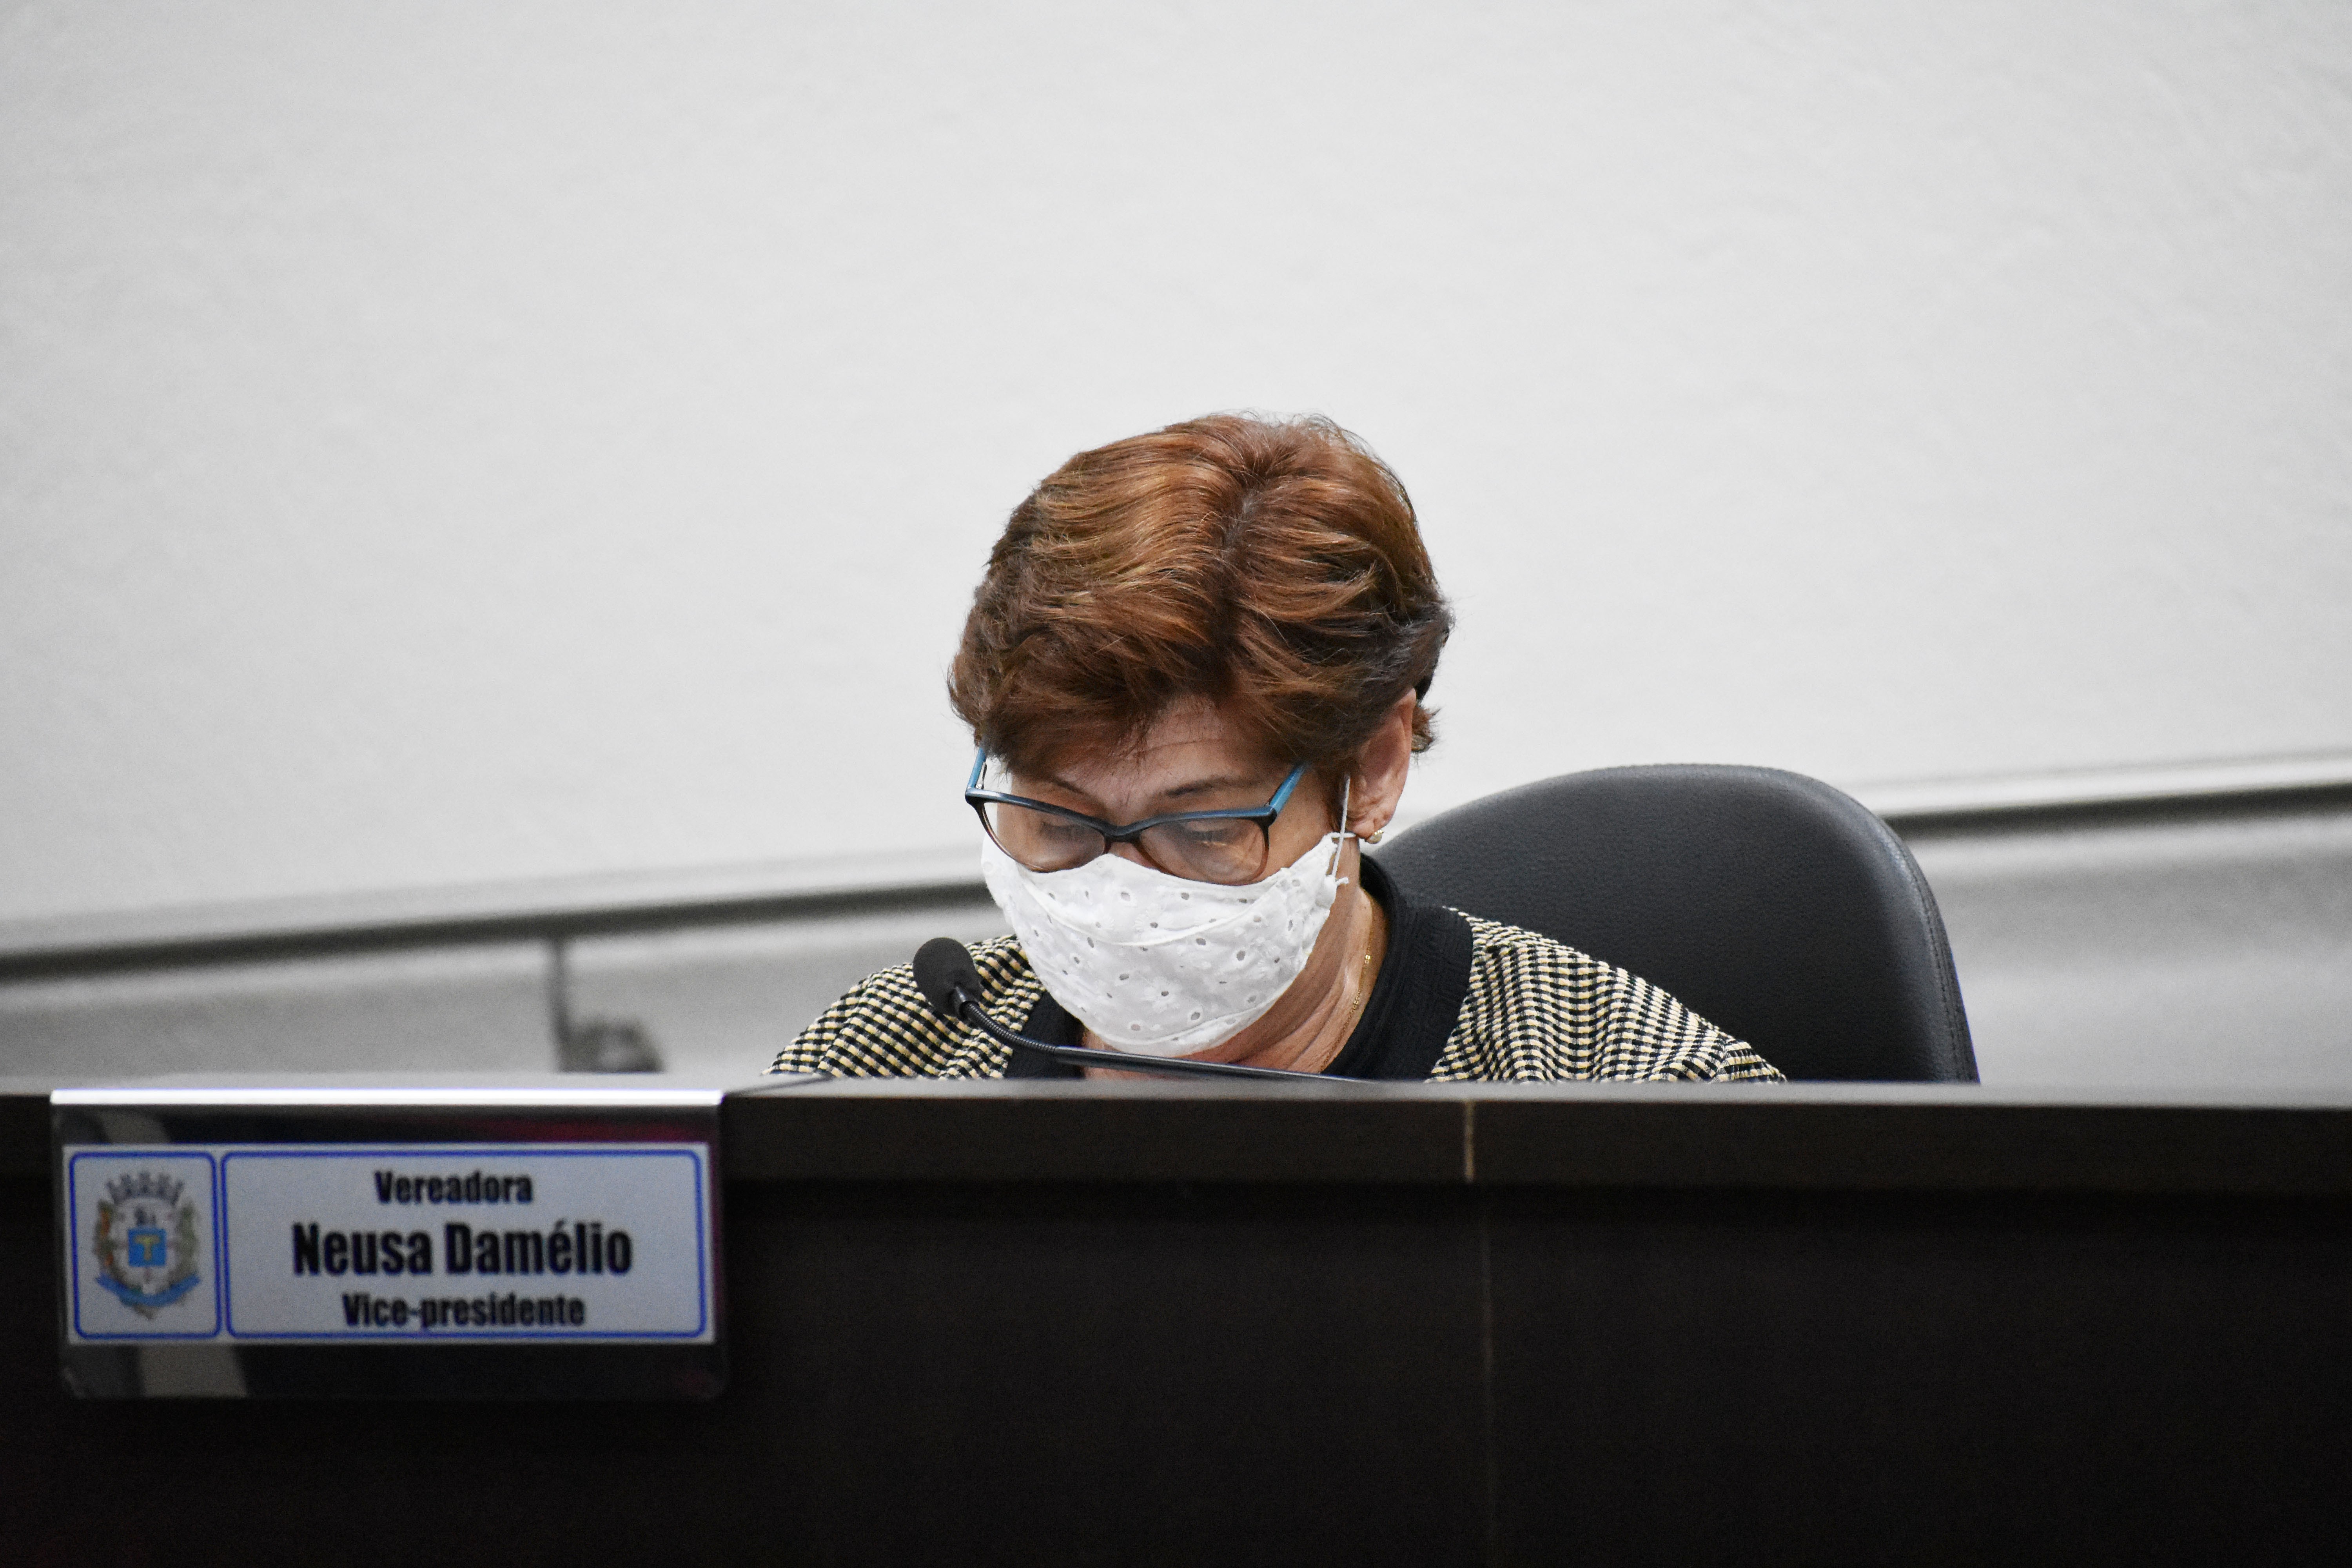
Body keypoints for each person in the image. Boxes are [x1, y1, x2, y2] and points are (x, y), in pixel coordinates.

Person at [771, 414, 1782, 1082]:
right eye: (1055, 819)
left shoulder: (1625, 1095)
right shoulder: (877, 1069)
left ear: (1373, 770)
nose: (1120, 896)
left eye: (1204, 828)